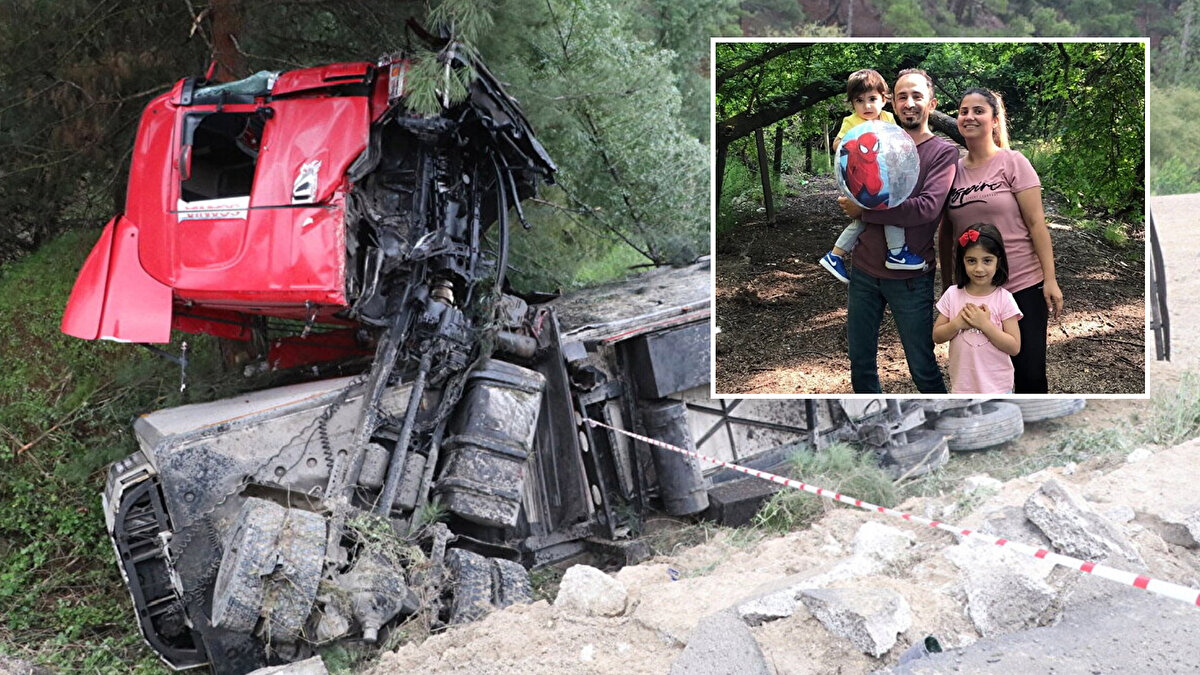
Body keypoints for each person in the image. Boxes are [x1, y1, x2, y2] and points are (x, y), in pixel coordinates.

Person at [838, 68, 957, 394]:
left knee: (922, 367)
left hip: (911, 278)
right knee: (860, 362)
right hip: (863, 270)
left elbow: (926, 209)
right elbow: (855, 181)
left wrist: (864, 212)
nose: (909, 103)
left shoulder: (943, 153)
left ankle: (944, 420)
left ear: (931, 103)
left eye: (917, 96)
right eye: (902, 96)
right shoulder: (878, 140)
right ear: (892, 101)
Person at [941, 88, 1063, 393]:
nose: (969, 116)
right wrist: (948, 286)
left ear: (995, 120)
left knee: (1029, 372)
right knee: (981, 373)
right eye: (963, 111)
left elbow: (1037, 224)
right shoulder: (950, 171)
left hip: (1022, 284)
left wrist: (1050, 279)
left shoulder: (1013, 162)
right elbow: (945, 232)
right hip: (975, 289)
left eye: (978, 111)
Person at [819, 69, 925, 284]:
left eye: (872, 99)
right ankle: (896, 252)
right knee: (888, 210)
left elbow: (897, 143)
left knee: (864, 220)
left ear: (884, 100)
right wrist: (855, 141)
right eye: (860, 100)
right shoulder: (852, 122)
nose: (866, 106)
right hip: (861, 181)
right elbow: (837, 145)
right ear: (852, 104)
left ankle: (835, 255)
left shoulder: (887, 118)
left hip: (883, 177)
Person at [933, 223, 1022, 393]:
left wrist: (985, 325)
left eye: (987, 260)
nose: (979, 268)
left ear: (998, 262)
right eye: (971, 261)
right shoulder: (953, 294)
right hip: (962, 387)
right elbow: (937, 336)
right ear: (962, 261)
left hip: (998, 388)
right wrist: (957, 323)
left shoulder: (1004, 298)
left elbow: (1014, 347)